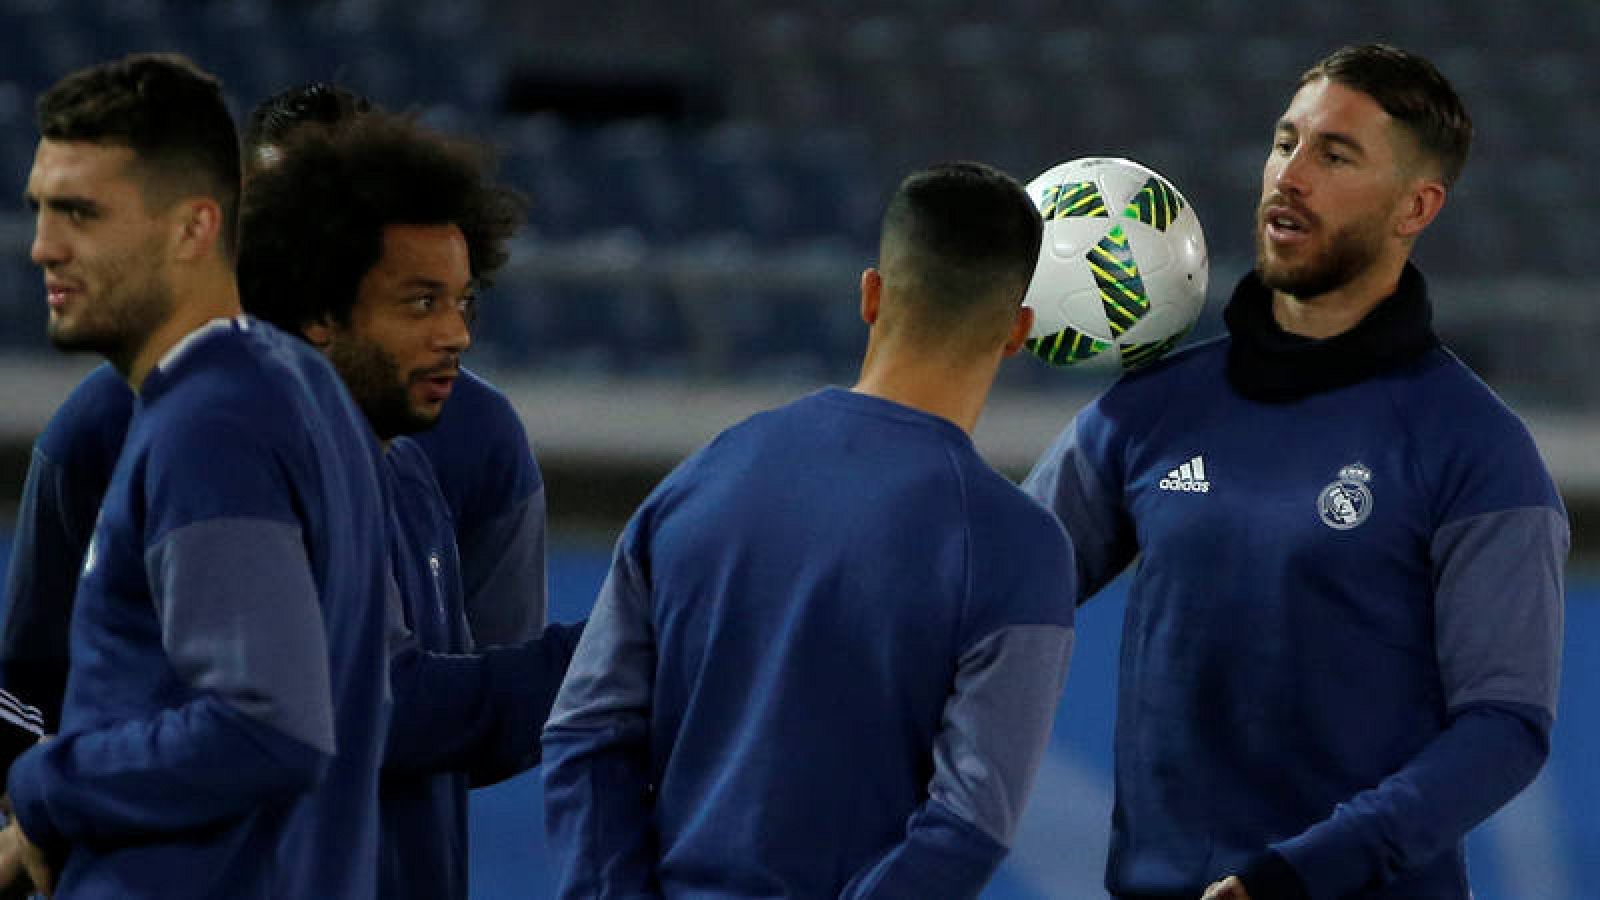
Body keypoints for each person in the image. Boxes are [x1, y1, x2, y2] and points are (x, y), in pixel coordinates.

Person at [1023, 43, 1567, 900]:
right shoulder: (1151, 410)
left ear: (1416, 206)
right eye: (1286, 142)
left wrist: (1298, 876)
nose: (1290, 175)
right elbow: (992, 585)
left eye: (1335, 154)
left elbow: (1505, 728)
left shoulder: (1477, 451)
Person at [542, 161, 1077, 898]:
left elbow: (584, 731)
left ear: (872, 294)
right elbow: (970, 821)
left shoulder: (705, 474)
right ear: (1019, 331)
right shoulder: (1020, 547)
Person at [0, 81, 550, 732]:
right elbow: (32, 692)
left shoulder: (452, 438)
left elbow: (467, 712)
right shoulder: (108, 419)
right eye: (281, 216)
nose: (304, 251)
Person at [0, 54, 393, 898]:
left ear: (193, 229)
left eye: (81, 213)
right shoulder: (294, 386)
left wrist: (44, 787)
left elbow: (267, 731)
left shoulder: (211, 427)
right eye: (39, 209)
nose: (43, 246)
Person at [236, 109, 582, 900]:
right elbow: (381, 708)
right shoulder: (249, 468)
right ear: (320, 310)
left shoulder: (413, 469)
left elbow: (465, 722)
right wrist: (623, 645)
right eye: (422, 303)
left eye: (465, 302)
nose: (457, 334)